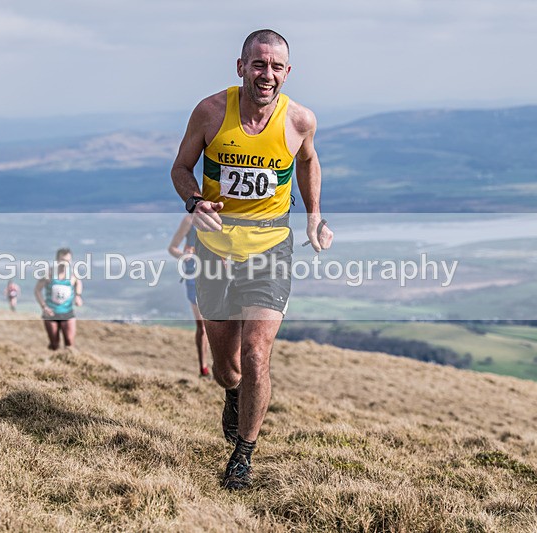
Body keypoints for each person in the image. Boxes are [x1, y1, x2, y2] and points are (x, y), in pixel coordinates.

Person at [170, 29, 334, 490]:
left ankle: (243, 454)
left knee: (256, 351)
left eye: (276, 67)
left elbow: (308, 161)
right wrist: (195, 201)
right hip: (216, 252)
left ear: (287, 72)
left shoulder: (300, 119)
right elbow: (180, 169)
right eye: (258, 64)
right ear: (240, 66)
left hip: (270, 250)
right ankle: (233, 393)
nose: (267, 75)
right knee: (228, 368)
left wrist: (314, 215)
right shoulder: (211, 112)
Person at [168, 214, 211, 378]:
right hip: (194, 275)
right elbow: (172, 248)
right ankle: (204, 368)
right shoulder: (189, 220)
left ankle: (225, 367)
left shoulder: (223, 216)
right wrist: (185, 256)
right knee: (203, 326)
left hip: (217, 274)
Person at [34, 248, 83, 351]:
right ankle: (54, 364)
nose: (65, 263)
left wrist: (78, 295)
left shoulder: (73, 273)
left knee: (69, 342)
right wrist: (44, 306)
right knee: (54, 344)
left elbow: (78, 283)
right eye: (63, 260)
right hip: (51, 313)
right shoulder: (49, 274)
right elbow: (37, 290)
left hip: (68, 312)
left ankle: (69, 364)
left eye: (68, 260)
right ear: (57, 260)